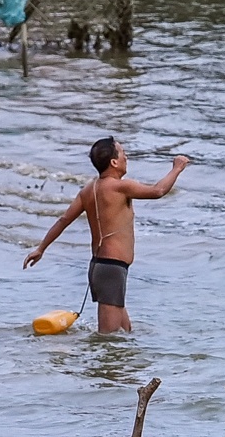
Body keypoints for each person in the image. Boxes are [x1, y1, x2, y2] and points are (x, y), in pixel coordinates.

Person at [23, 137, 190, 332]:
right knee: (107, 338)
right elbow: (158, 190)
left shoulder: (88, 190)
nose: (126, 157)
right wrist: (177, 168)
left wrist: (41, 249)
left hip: (100, 267)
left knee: (126, 333)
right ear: (114, 162)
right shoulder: (120, 187)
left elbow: (63, 220)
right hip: (112, 269)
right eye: (123, 153)